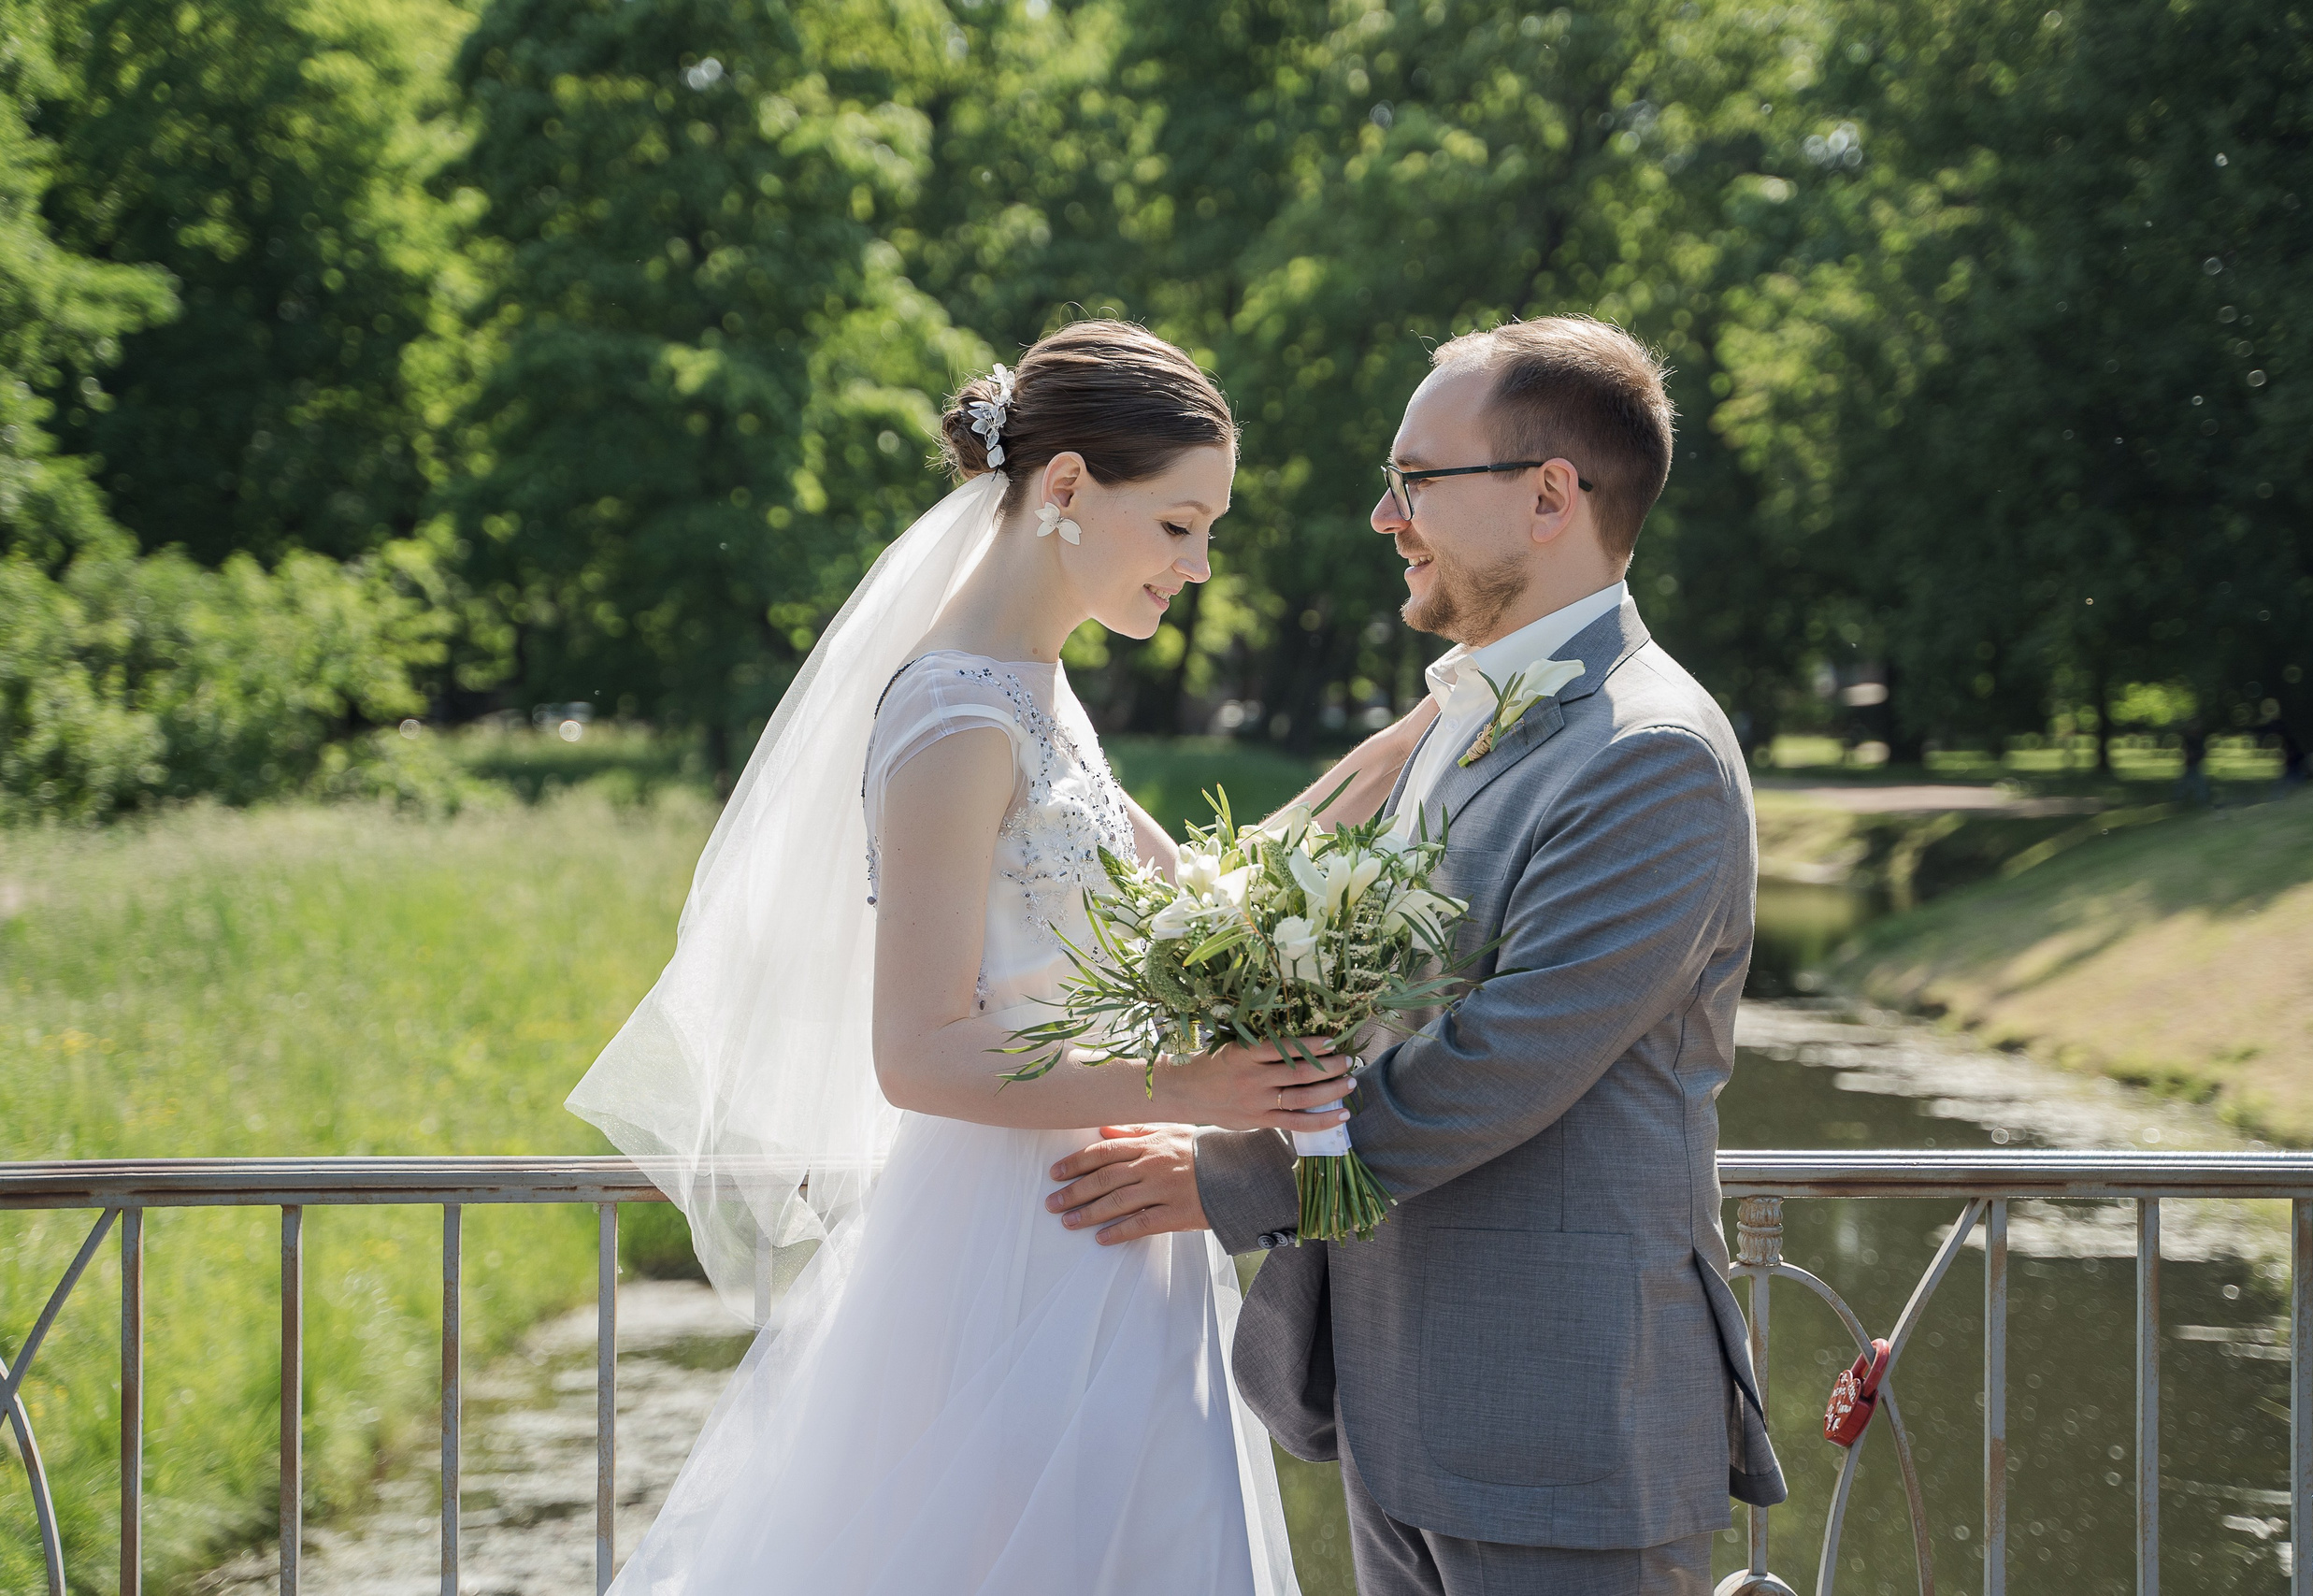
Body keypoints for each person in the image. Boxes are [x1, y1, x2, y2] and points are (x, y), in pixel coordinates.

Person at [566, 321, 1433, 1594]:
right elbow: (918, 1051)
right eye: (1181, 524)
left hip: (1106, 1226)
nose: (1198, 566)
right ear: (1070, 489)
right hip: (1006, 1249)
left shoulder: (1036, 691)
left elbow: (1217, 890)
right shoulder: (957, 715)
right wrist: (1191, 1095)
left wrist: (1435, 721)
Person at [1044, 316, 1788, 1595]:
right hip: (1404, 1410)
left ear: (1550, 496)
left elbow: (1499, 1063)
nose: (1388, 517)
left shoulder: (1650, 752)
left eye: (1416, 481)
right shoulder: (1457, 712)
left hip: (1558, 1427)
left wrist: (1226, 1174)